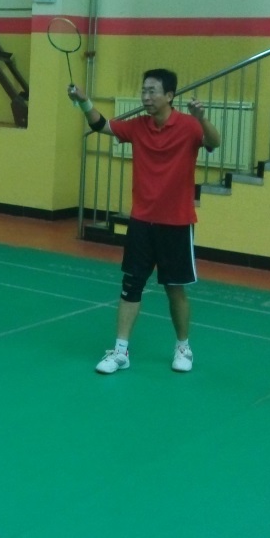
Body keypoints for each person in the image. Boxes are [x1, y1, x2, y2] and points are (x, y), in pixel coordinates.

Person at [68, 69, 221, 374]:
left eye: (153, 91)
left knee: (174, 288)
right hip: (141, 221)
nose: (146, 97)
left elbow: (214, 142)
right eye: (144, 91)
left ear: (169, 96)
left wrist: (202, 118)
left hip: (176, 223)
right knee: (131, 285)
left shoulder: (189, 126)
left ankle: (183, 348)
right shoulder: (138, 126)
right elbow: (101, 124)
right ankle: (120, 352)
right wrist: (84, 100)